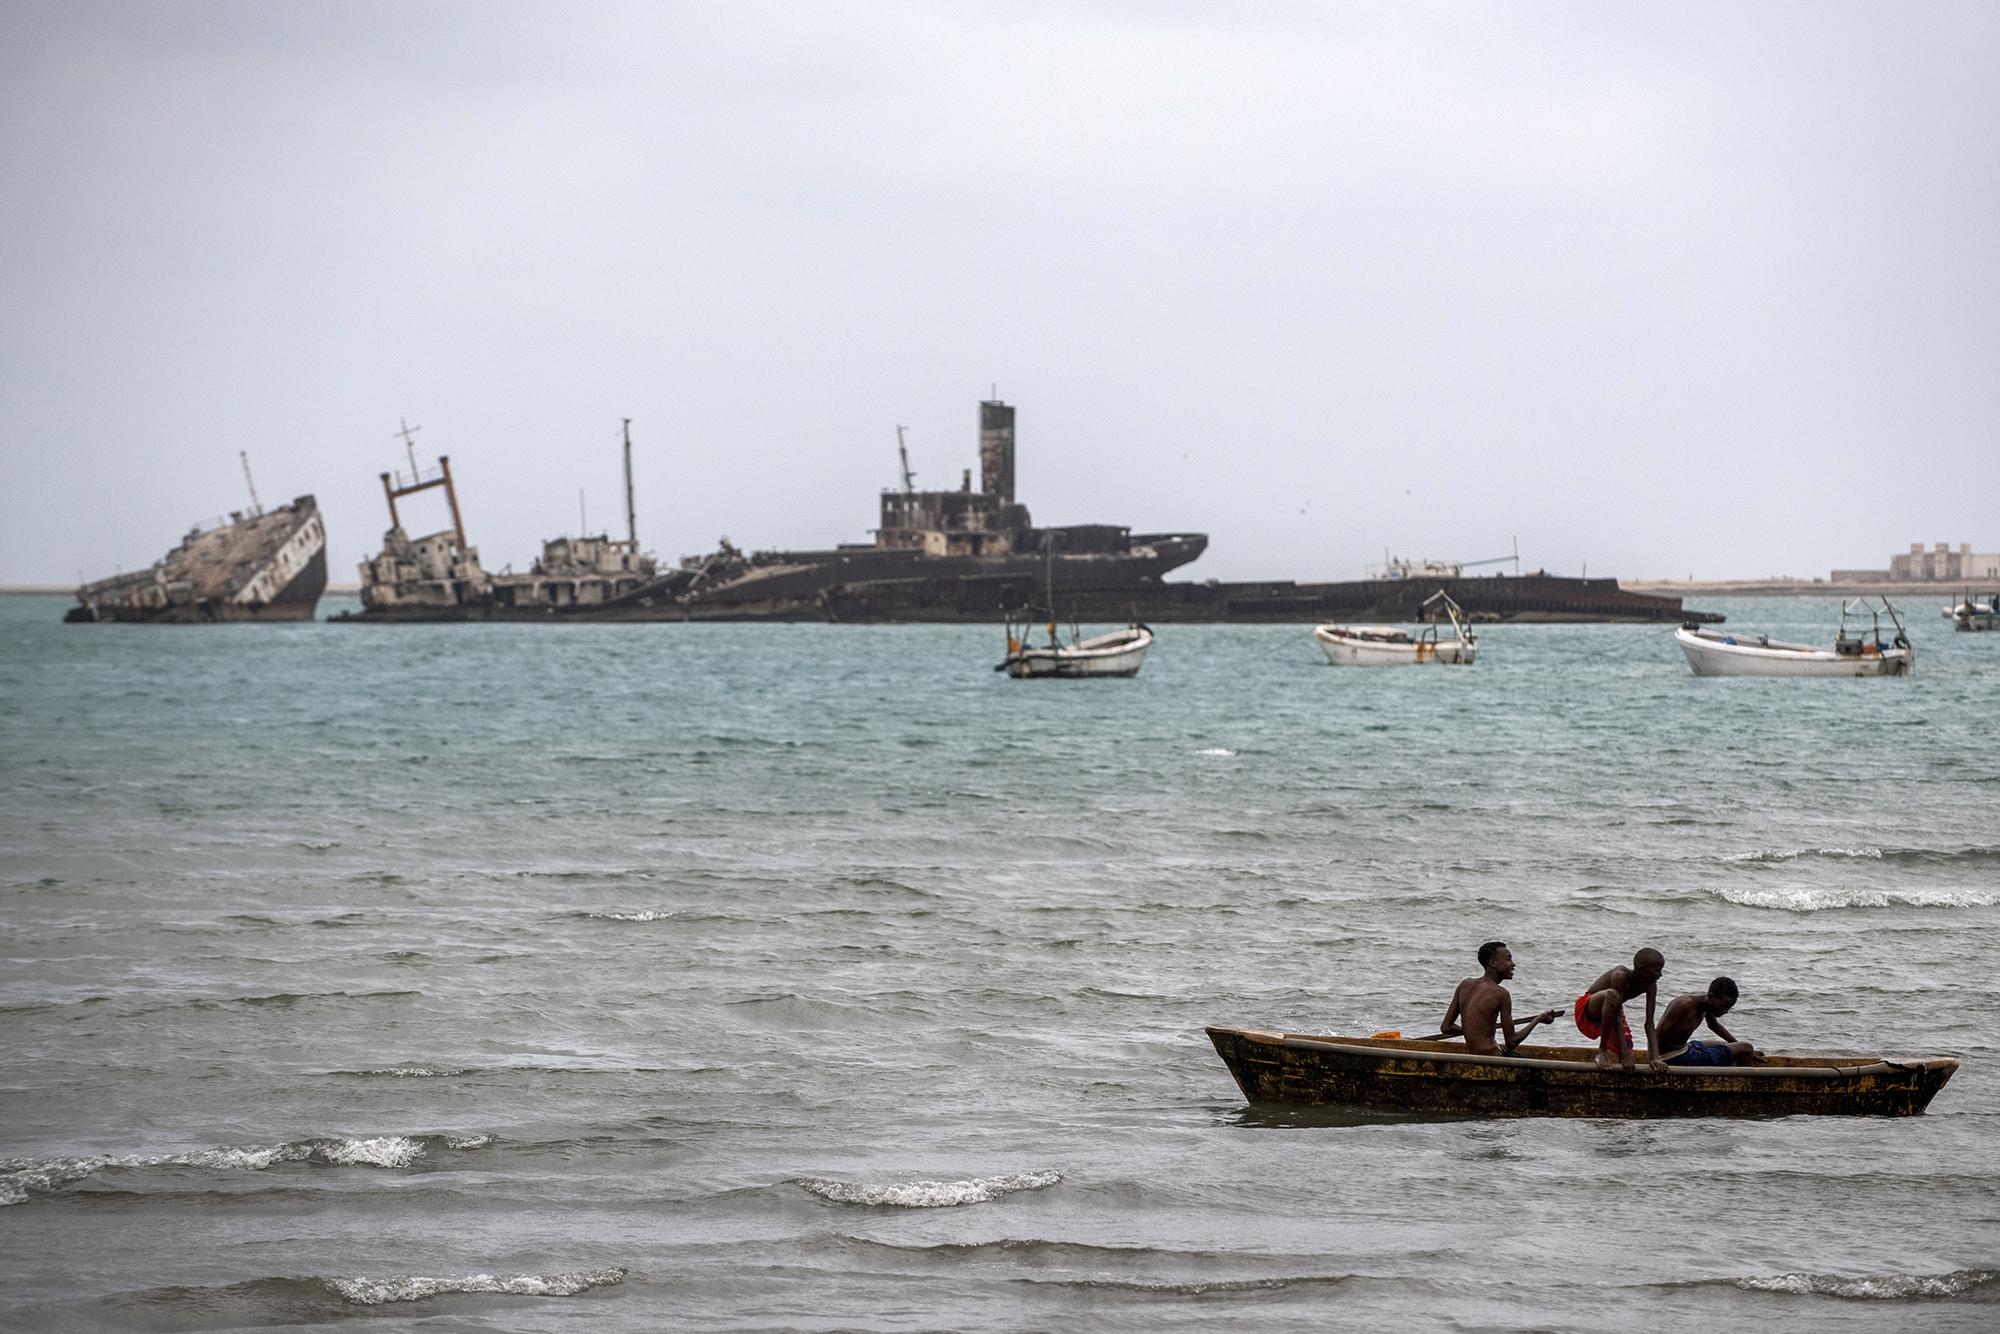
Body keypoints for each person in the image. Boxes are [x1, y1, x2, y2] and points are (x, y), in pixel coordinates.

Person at [1439, 941, 1561, 1056]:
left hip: (1479, 1055)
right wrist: (1538, 1019)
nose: (1513, 964)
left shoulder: (1464, 985)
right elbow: (1511, 1042)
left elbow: (1446, 1027)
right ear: (1493, 963)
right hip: (1492, 1056)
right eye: (1508, 959)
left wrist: (1474, 1032)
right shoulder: (1501, 994)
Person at [1575, 948, 1667, 1073]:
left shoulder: (1651, 985)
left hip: (1613, 1013)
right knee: (1612, 995)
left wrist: (1656, 1057)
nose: (1660, 975)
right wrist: (1625, 1056)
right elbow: (1617, 1018)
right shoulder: (1620, 976)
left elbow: (1649, 1023)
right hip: (1589, 1009)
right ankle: (1602, 1051)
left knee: (1628, 1051)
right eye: (1656, 971)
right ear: (1642, 969)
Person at [1657, 977, 1765, 1066]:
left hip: (1685, 1048)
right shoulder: (1685, 1005)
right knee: (1747, 1047)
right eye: (1722, 1006)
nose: (1725, 1011)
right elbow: (1656, 1033)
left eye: (1729, 1007)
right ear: (1711, 996)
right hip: (1674, 1057)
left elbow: (1713, 1025)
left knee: (1736, 1046)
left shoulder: (1705, 1001)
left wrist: (1737, 1044)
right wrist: (1654, 1059)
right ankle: (1743, 1087)